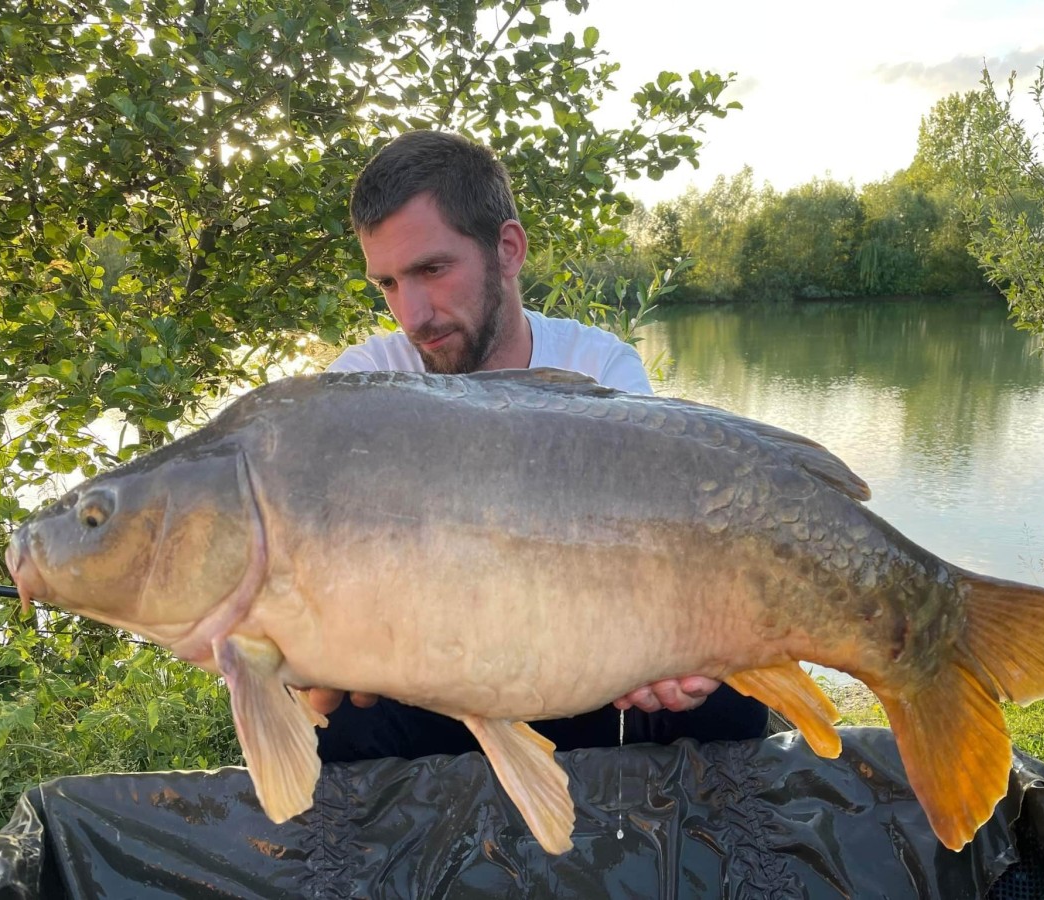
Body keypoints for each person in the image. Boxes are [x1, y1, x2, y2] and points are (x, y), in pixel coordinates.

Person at [311, 130, 769, 762]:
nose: (411, 315)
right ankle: (403, 857)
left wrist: (685, 641)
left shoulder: (600, 368)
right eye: (387, 283)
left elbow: (666, 545)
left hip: (577, 668)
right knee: (333, 715)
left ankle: (665, 854)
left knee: (726, 693)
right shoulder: (360, 391)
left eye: (432, 270)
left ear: (508, 249)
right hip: (431, 677)